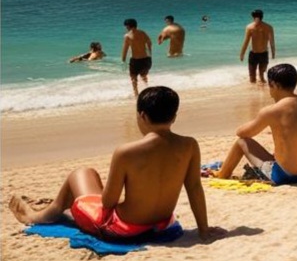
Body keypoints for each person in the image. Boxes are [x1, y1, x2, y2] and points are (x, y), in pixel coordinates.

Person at [7, 86, 221, 243]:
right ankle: (55, 207)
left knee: (80, 174)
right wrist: (203, 229)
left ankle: (41, 215)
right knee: (90, 175)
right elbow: (194, 188)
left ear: (142, 116)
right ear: (174, 116)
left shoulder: (127, 152)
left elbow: (108, 202)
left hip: (123, 229)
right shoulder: (189, 145)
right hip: (162, 224)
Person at [215, 64, 297, 186]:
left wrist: (241, 126)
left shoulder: (272, 111)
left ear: (275, 85)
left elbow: (243, 133)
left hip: (286, 176)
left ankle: (222, 175)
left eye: (269, 86)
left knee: (241, 142)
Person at [239, 9, 275, 84]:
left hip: (263, 54)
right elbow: (246, 41)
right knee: (253, 77)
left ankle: (259, 92)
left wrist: (242, 54)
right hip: (255, 54)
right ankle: (255, 90)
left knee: (261, 76)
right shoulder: (250, 27)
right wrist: (242, 54)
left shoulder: (268, 27)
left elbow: (272, 41)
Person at [121, 19, 153, 97]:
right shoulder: (143, 33)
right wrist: (149, 52)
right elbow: (149, 42)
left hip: (135, 60)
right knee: (144, 76)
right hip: (146, 59)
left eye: (126, 26)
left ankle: (136, 94)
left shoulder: (128, 36)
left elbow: (125, 49)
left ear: (128, 26)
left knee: (133, 78)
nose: (126, 28)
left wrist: (123, 60)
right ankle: (147, 90)